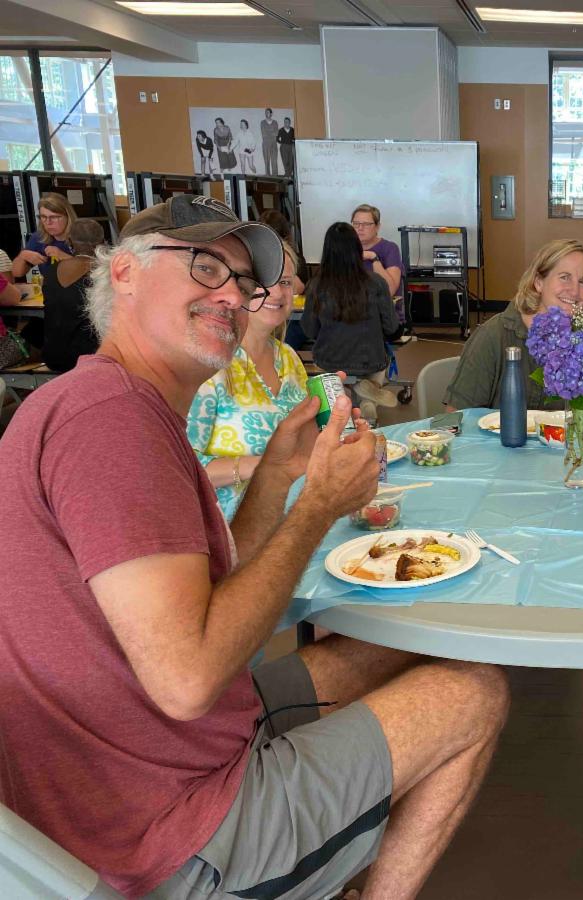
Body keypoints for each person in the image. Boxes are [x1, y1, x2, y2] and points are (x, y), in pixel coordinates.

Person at [0, 193, 509, 898]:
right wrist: (319, 507)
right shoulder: (113, 422)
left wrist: (273, 476)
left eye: (244, 282)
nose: (233, 297)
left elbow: (202, 601)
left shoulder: (103, 401)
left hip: (139, 757)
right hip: (166, 834)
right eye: (206, 267)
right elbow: (187, 681)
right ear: (124, 272)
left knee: (397, 647)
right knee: (474, 691)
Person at [187, 243, 308, 518]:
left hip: (289, 516)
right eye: (266, 281)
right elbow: (180, 467)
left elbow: (303, 444)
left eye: (286, 282)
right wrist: (261, 466)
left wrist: (333, 422)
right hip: (229, 528)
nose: (277, 293)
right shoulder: (210, 364)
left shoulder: (288, 357)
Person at [445, 238, 583, 412]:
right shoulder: (493, 336)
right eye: (564, 277)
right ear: (539, 282)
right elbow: (457, 416)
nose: (575, 291)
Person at [301, 221, 399, 423]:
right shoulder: (377, 283)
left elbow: (309, 330)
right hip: (370, 361)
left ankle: (343, 397)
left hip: (329, 362)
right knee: (378, 365)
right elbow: (391, 327)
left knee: (332, 376)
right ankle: (367, 398)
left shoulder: (316, 285)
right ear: (357, 250)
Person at [40, 218, 103, 372]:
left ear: (69, 241)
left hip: (54, 356)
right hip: (89, 357)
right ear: (102, 243)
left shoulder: (51, 271)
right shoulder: (102, 272)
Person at [12, 191, 75, 280]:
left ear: (68, 216)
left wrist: (65, 257)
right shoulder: (38, 238)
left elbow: (92, 271)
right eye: (43, 217)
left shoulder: (83, 235)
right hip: (51, 288)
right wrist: (22, 256)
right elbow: (16, 273)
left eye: (54, 217)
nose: (48, 222)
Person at [351, 203, 404, 300]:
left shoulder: (390, 248)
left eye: (366, 224)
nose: (360, 228)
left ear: (377, 227)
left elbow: (389, 290)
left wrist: (373, 257)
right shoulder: (346, 248)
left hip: (382, 307)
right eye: (356, 223)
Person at [259, 107, 280, 177]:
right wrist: (271, 132)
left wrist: (269, 132)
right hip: (265, 143)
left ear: (271, 114)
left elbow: (276, 133)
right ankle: (267, 174)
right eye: (265, 112)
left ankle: (275, 175)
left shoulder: (275, 122)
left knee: (274, 160)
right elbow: (263, 134)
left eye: (268, 112)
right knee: (266, 160)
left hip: (274, 143)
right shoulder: (262, 122)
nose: (266, 113)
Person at [277, 115, 296, 179]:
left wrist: (293, 142)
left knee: (291, 161)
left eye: (287, 122)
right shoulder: (281, 130)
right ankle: (287, 174)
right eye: (285, 122)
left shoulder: (293, 130)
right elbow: (277, 139)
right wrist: (282, 143)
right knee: (285, 161)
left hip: (291, 146)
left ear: (289, 123)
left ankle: (289, 174)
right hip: (283, 147)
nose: (286, 123)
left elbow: (294, 138)